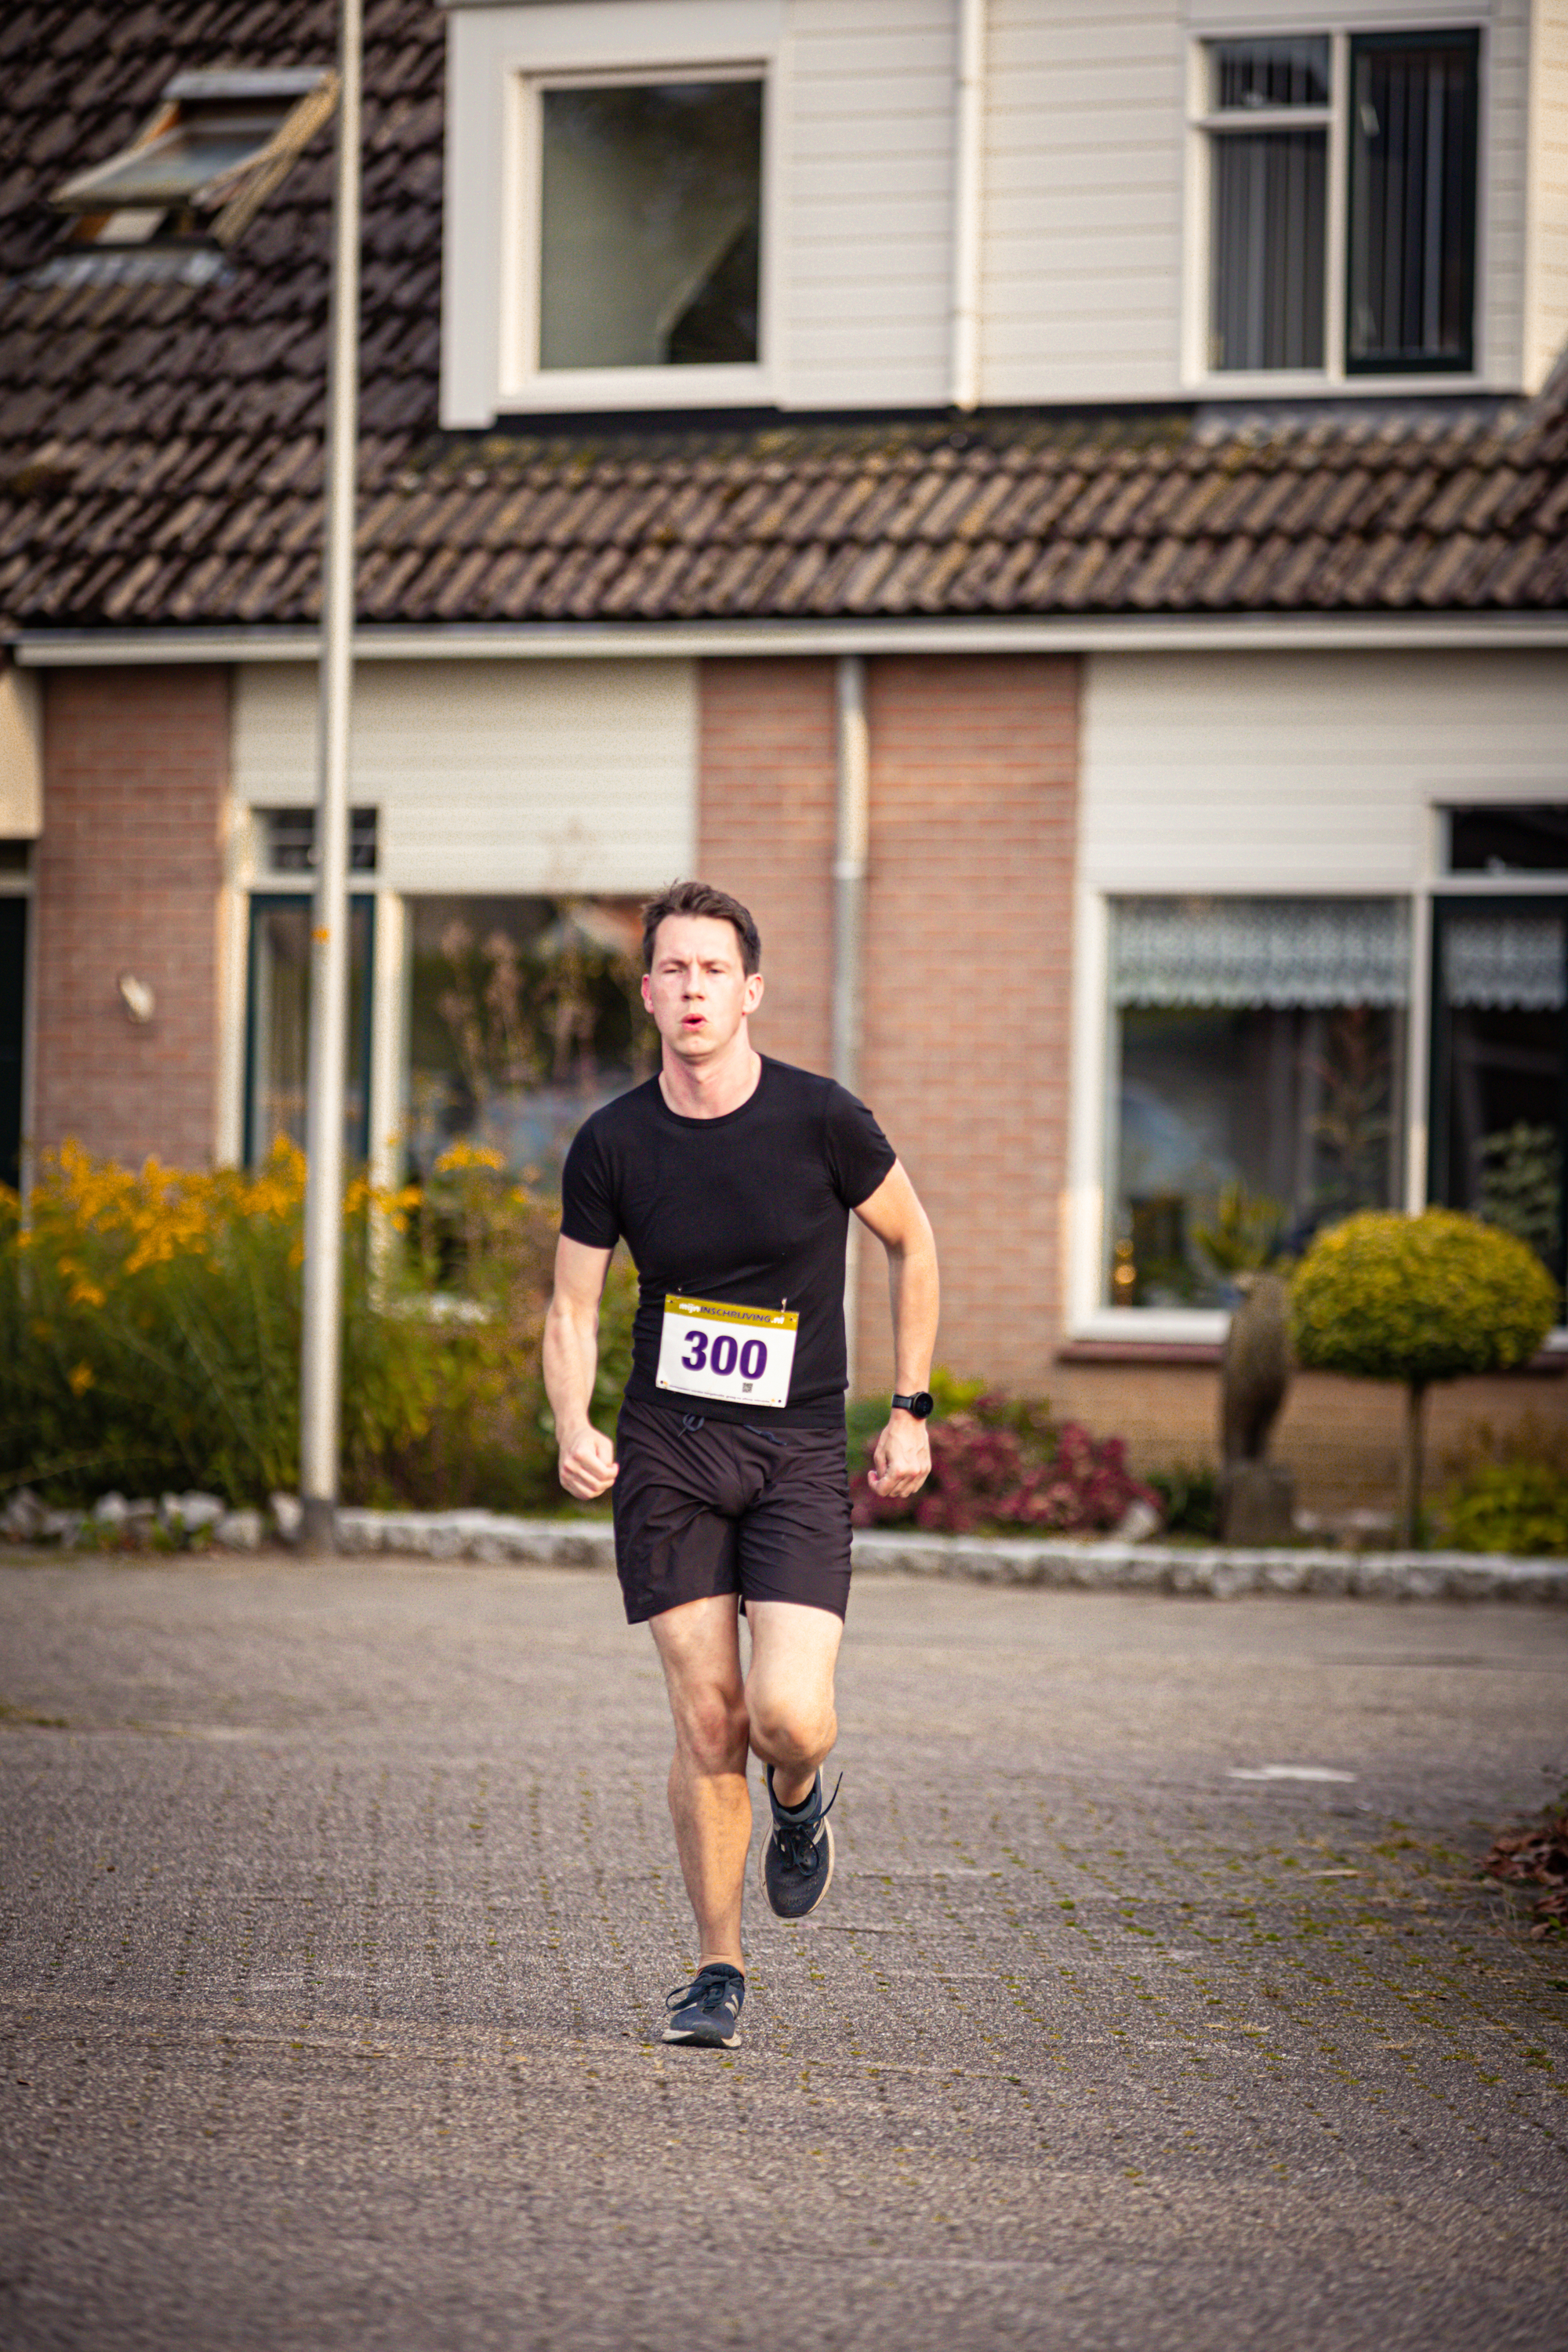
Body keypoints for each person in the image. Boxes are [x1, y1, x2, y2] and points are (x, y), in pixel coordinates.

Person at [543, 880, 939, 2049]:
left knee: (786, 1715)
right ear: (650, 990)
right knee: (708, 1717)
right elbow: (572, 1308)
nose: (693, 988)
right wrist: (572, 1422)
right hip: (669, 1445)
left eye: (714, 970)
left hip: (800, 1445)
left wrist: (911, 1408)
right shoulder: (612, 1141)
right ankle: (717, 1967)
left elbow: (915, 1243)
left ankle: (804, 1801)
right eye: (673, 969)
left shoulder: (823, 1121)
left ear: (749, 990)